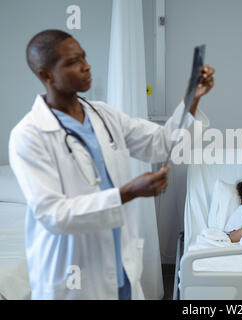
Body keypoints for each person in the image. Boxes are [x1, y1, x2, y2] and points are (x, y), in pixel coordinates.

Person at [9, 30, 215, 300]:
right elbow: (53, 214)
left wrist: (193, 97)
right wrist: (127, 192)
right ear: (46, 75)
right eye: (72, 62)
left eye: (83, 56)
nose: (86, 65)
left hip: (119, 261)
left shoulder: (102, 114)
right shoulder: (29, 135)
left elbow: (161, 143)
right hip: (72, 273)